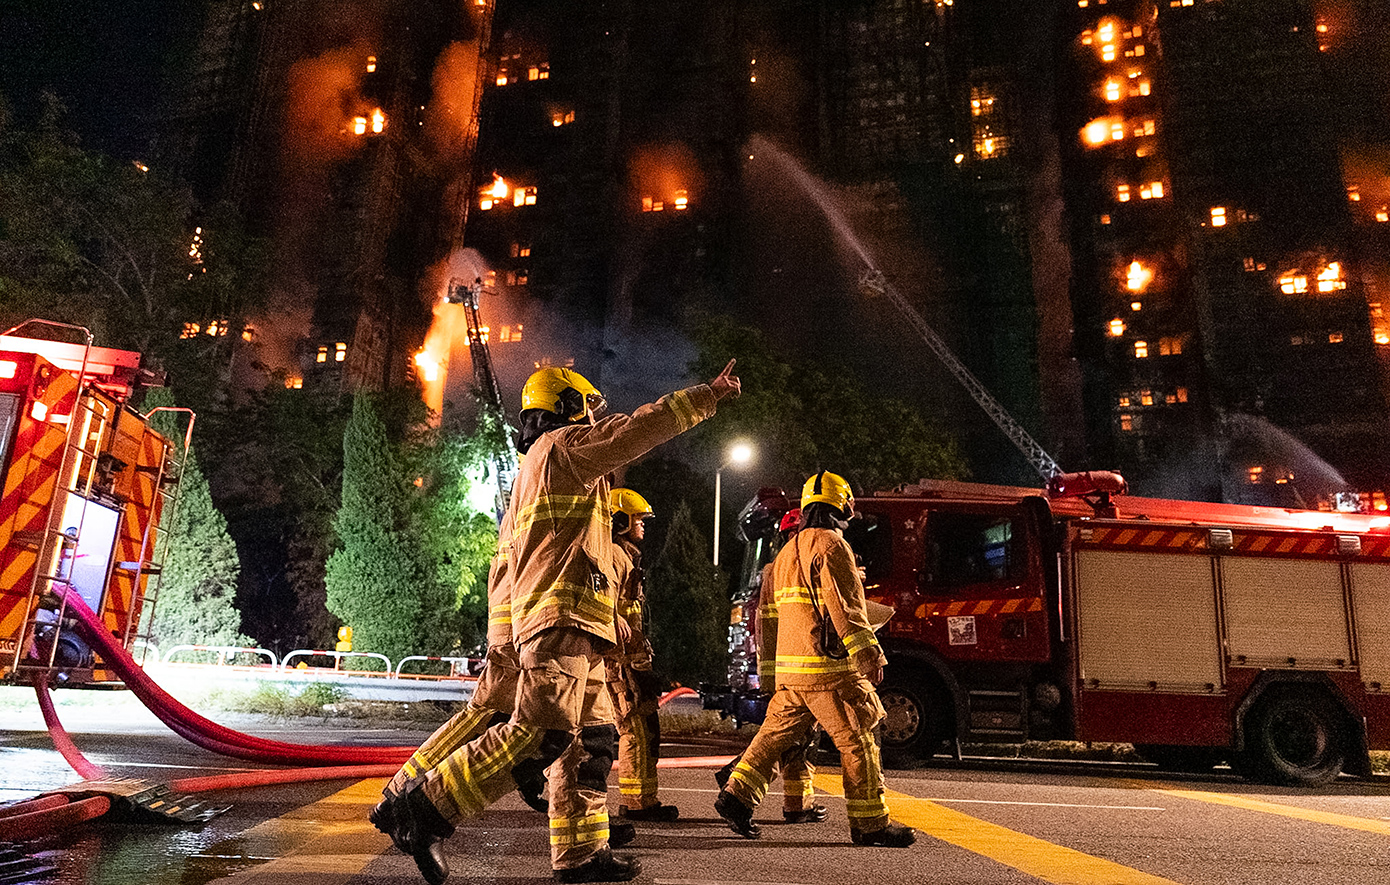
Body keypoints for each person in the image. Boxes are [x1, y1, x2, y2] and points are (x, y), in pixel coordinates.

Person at [373, 361, 740, 885]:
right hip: (560, 622)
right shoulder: (564, 448)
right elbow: (637, 429)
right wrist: (708, 396)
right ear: (567, 406)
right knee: (539, 735)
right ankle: (427, 810)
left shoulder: (532, 471)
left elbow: (508, 563)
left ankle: (582, 854)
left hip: (572, 628)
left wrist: (505, 638)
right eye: (589, 407)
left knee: (588, 748)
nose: (594, 418)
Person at [713, 471, 914, 848]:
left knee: (774, 736)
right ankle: (870, 823)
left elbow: (767, 617)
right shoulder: (832, 545)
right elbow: (846, 608)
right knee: (859, 737)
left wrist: (769, 675)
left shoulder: (785, 553)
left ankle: (736, 797)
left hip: (792, 672)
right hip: (828, 670)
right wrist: (870, 654)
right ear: (843, 505)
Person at [714, 507, 827, 824]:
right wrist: (769, 678)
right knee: (788, 738)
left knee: (801, 739)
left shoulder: (784, 566)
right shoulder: (786, 568)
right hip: (794, 669)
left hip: (791, 667)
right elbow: (769, 628)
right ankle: (736, 781)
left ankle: (798, 805)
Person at [606, 488, 679, 821]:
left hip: (632, 657)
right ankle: (636, 805)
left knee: (646, 729)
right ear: (619, 520)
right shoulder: (613, 555)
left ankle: (644, 800)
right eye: (638, 519)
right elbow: (602, 601)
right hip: (619, 661)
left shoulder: (626, 555)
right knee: (634, 730)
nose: (643, 525)